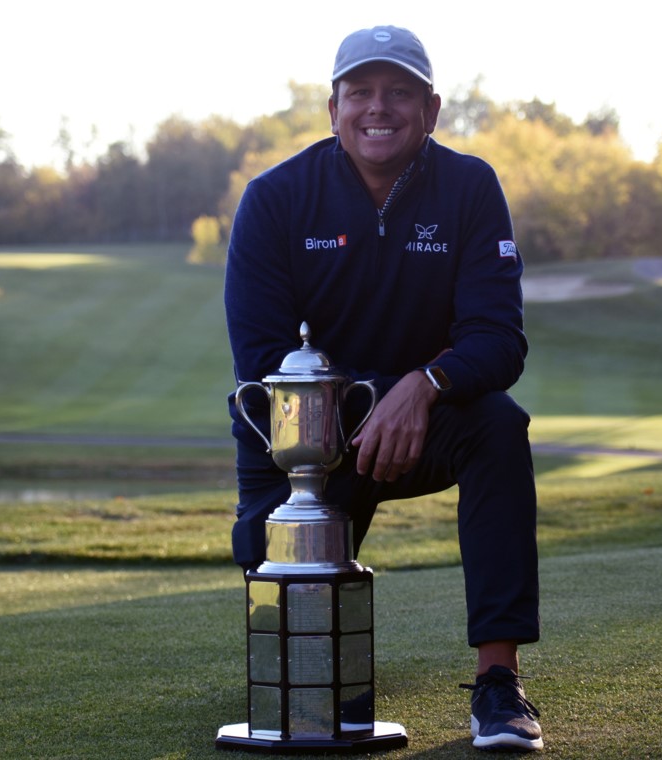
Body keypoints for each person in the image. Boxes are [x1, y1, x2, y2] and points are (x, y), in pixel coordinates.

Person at [223, 25, 543, 752]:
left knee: (498, 425)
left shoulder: (469, 187)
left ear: (431, 110)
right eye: (361, 92)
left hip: (428, 422)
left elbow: (499, 338)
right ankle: (312, 630)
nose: (379, 108)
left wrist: (425, 385)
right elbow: (263, 362)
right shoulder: (274, 200)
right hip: (304, 454)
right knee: (302, 669)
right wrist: (379, 395)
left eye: (399, 93)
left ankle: (499, 683)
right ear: (331, 107)